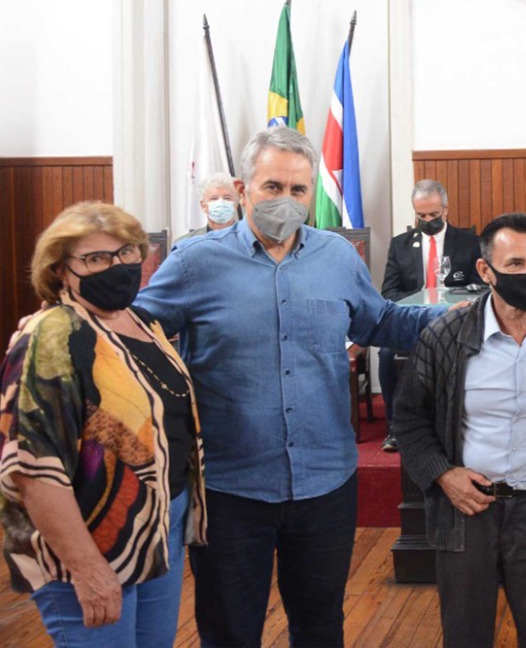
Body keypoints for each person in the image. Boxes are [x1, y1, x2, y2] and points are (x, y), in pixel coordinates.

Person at [133, 127, 449, 647]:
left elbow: (382, 322)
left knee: (321, 625)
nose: (286, 200)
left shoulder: (337, 257)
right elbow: (134, 330)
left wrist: (458, 316)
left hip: (324, 481)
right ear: (242, 189)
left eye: (298, 190)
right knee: (229, 631)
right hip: (230, 488)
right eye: (272, 187)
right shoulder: (194, 263)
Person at [0, 201, 206, 647]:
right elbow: (33, 471)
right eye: (95, 258)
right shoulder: (51, 336)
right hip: (88, 542)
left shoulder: (142, 322)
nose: (117, 267)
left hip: (153, 529)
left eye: (127, 252)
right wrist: (87, 568)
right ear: (60, 270)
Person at [396, 212, 526, 648]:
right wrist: (444, 475)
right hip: (468, 507)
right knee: (466, 632)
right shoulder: (445, 336)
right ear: (486, 271)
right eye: (516, 264)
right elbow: (408, 419)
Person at [378, 178, 484, 452]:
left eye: (433, 215)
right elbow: (389, 291)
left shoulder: (468, 242)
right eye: (421, 215)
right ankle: (395, 427)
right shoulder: (400, 245)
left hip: (453, 320)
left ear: (445, 210)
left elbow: (479, 287)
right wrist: (418, 308)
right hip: (413, 320)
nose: (428, 220)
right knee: (387, 353)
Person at [175, 172, 239, 245]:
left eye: (227, 198)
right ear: (203, 206)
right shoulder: (185, 244)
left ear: (236, 205)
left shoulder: (250, 241)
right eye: (214, 198)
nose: (221, 202)